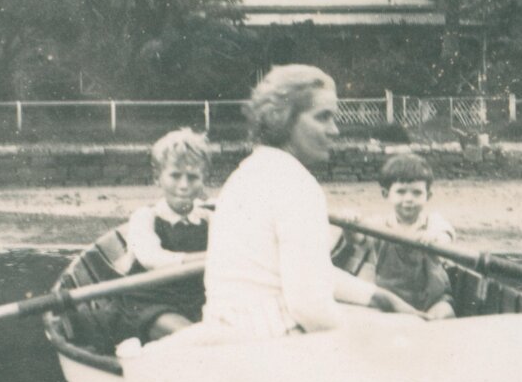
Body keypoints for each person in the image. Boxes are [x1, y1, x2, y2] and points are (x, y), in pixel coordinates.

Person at [140, 64, 420, 352]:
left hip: (230, 329)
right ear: (284, 119)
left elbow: (301, 273)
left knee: (382, 319)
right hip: (272, 343)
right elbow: (311, 309)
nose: (335, 130)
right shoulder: (297, 184)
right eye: (323, 117)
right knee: (411, 333)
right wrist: (381, 327)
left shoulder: (247, 172)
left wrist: (376, 296)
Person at [113, 127, 211, 344]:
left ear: (203, 180)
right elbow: (152, 259)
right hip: (151, 303)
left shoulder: (209, 219)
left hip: (197, 303)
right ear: (158, 178)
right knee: (199, 340)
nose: (184, 185)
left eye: (193, 177)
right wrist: (210, 257)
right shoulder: (145, 217)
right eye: (175, 176)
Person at [357, 153, 456, 320]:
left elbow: (446, 236)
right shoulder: (378, 225)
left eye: (417, 193)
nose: (409, 199)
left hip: (431, 302)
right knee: (369, 316)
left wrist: (434, 238)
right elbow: (356, 240)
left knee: (445, 312)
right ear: (386, 194)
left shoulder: (433, 223)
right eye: (401, 192)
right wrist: (350, 225)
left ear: (428, 195)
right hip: (390, 303)